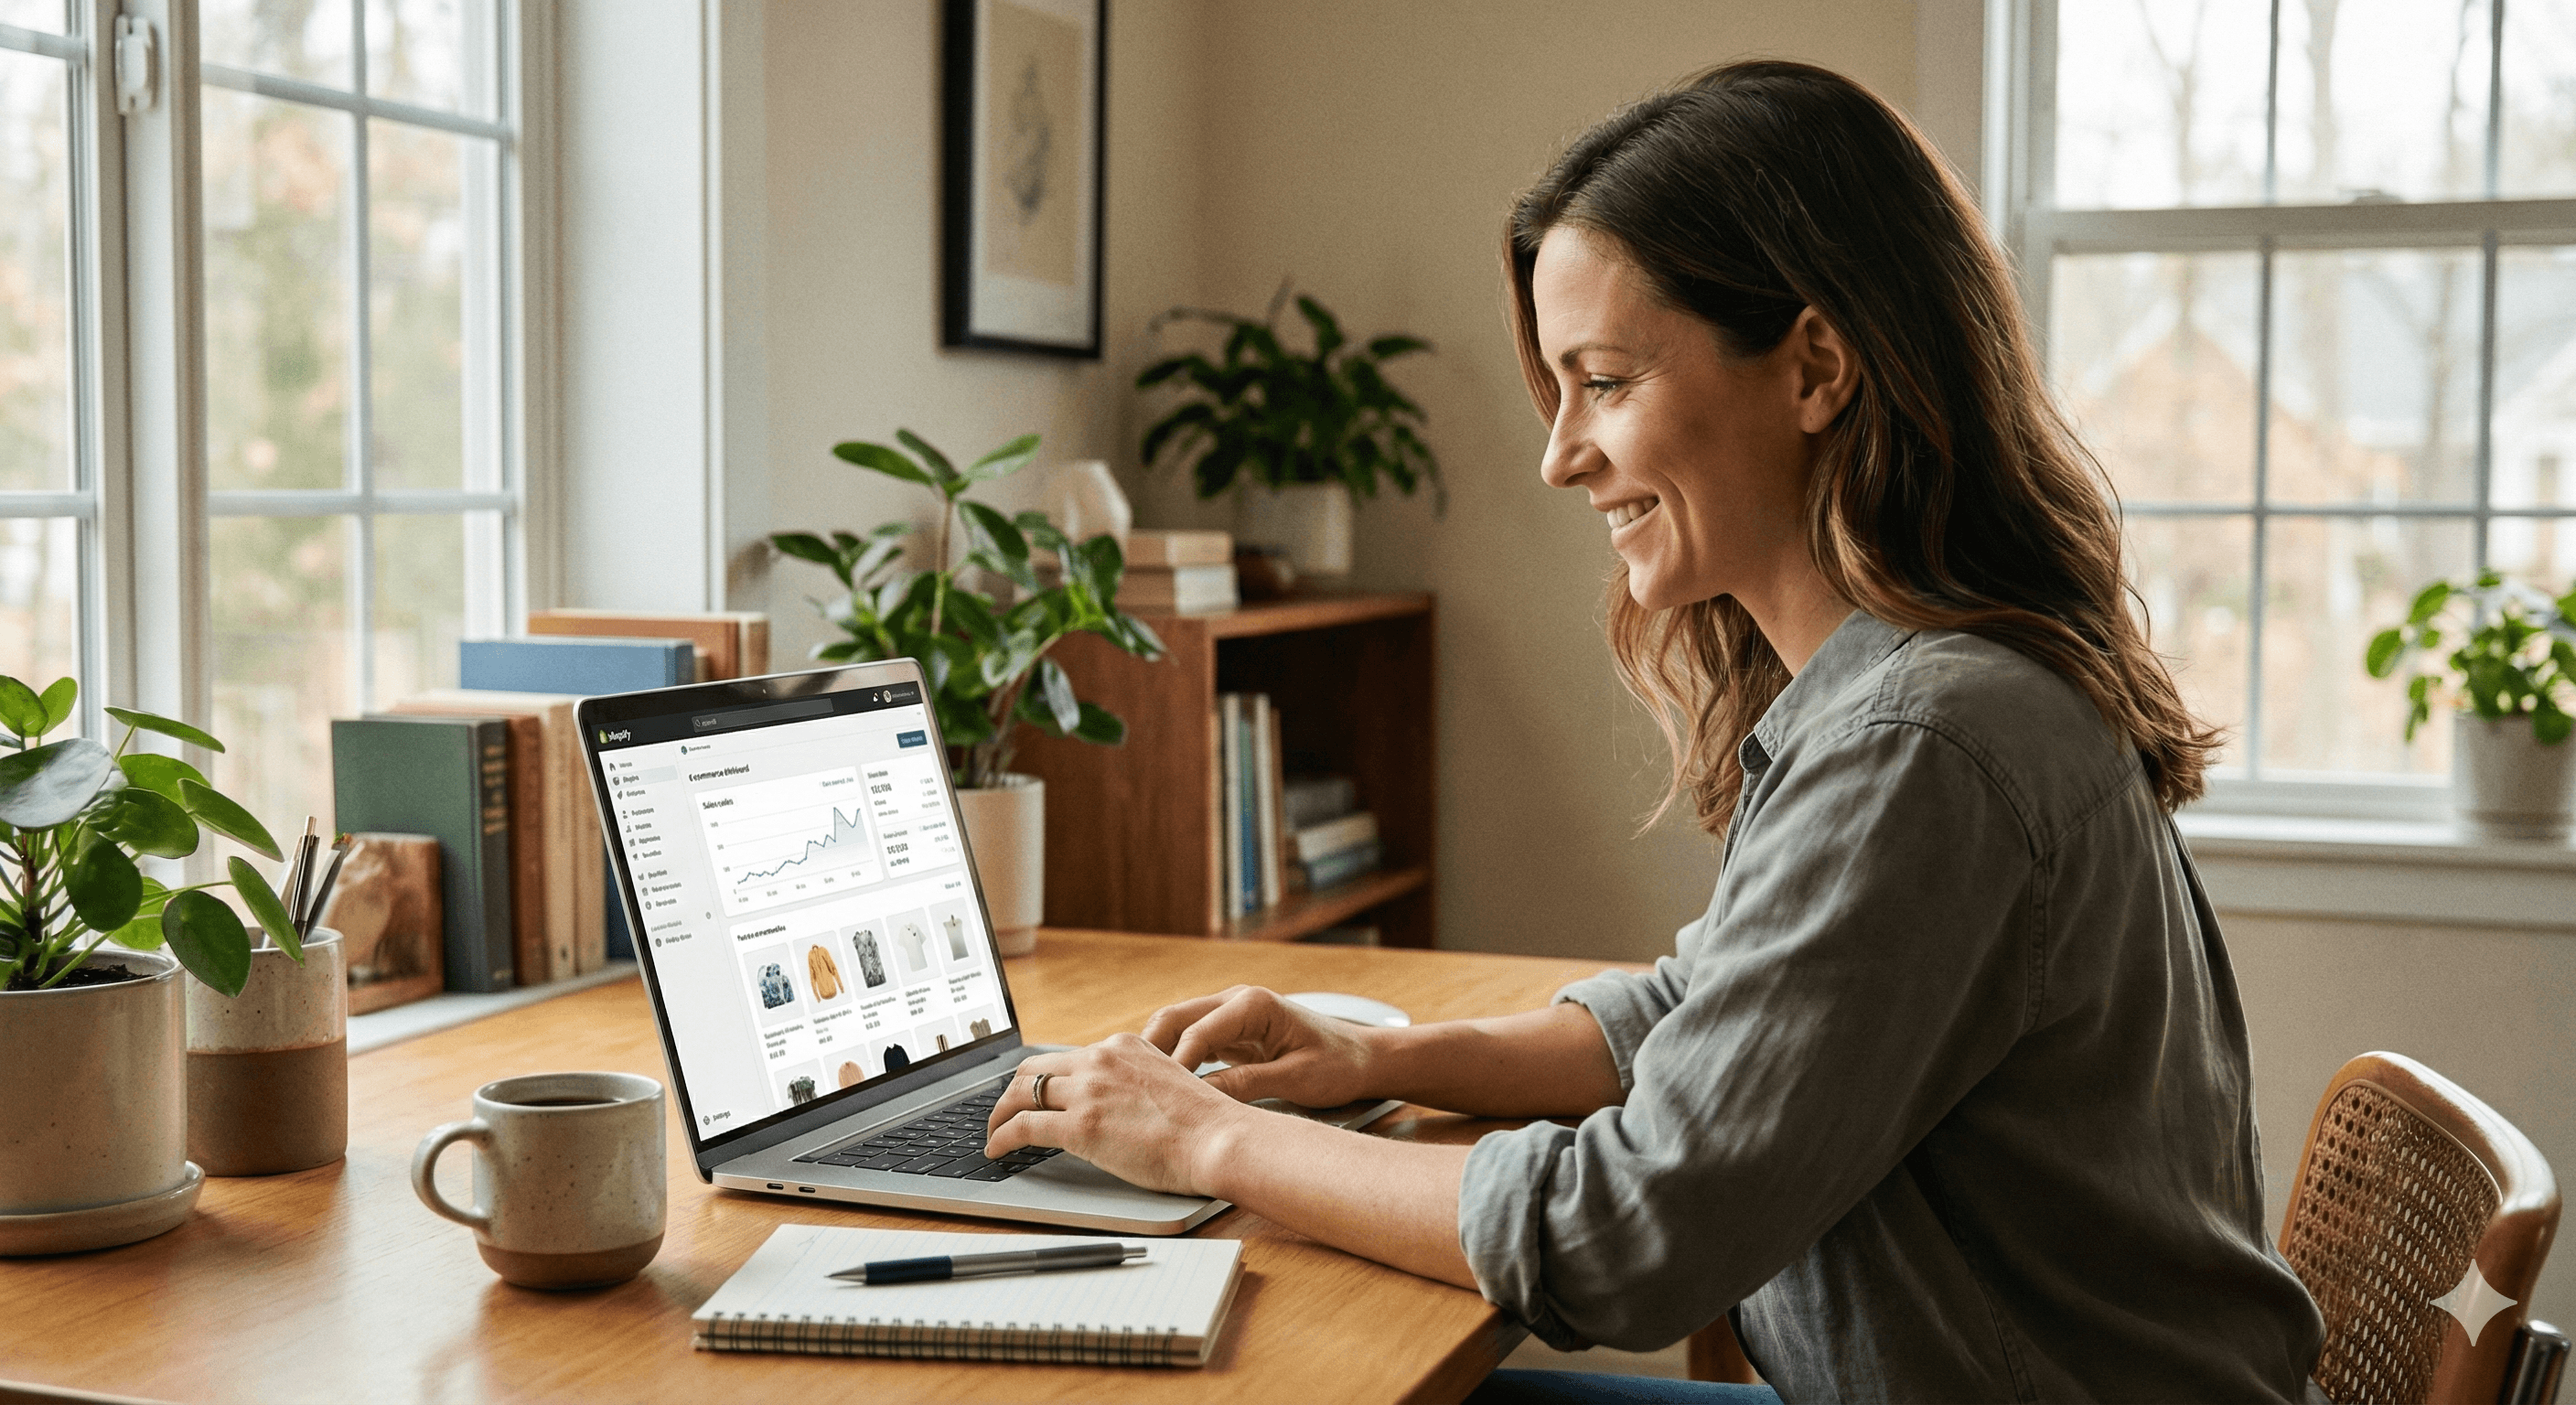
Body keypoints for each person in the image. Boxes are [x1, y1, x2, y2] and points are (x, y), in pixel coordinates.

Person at [981, 59, 2327, 1403]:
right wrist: (1379, 1057)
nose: (1559, 453)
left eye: (1607, 381)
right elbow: (1708, 1012)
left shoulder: (1927, 742)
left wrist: (1206, 1142)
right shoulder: (1924, 691)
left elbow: (1622, 1236)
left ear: (1816, 368)